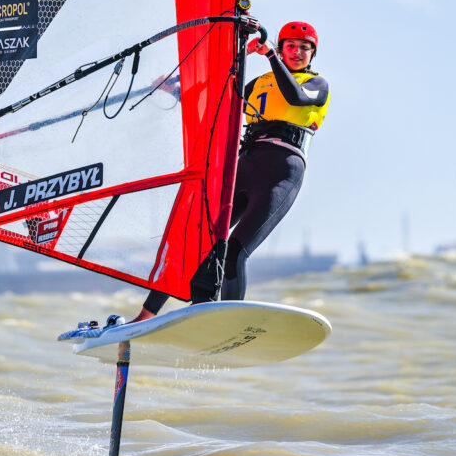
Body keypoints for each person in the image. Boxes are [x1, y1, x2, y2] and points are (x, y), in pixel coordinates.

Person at [129, 21, 330, 323]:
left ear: (312, 54)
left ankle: (228, 323)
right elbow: (218, 103)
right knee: (195, 242)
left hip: (281, 170)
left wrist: (270, 55)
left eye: (305, 48)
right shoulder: (259, 83)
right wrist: (175, 90)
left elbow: (295, 98)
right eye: (290, 46)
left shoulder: (316, 84)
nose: (297, 52)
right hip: (245, 163)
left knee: (235, 252)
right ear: (283, 48)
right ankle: (145, 315)